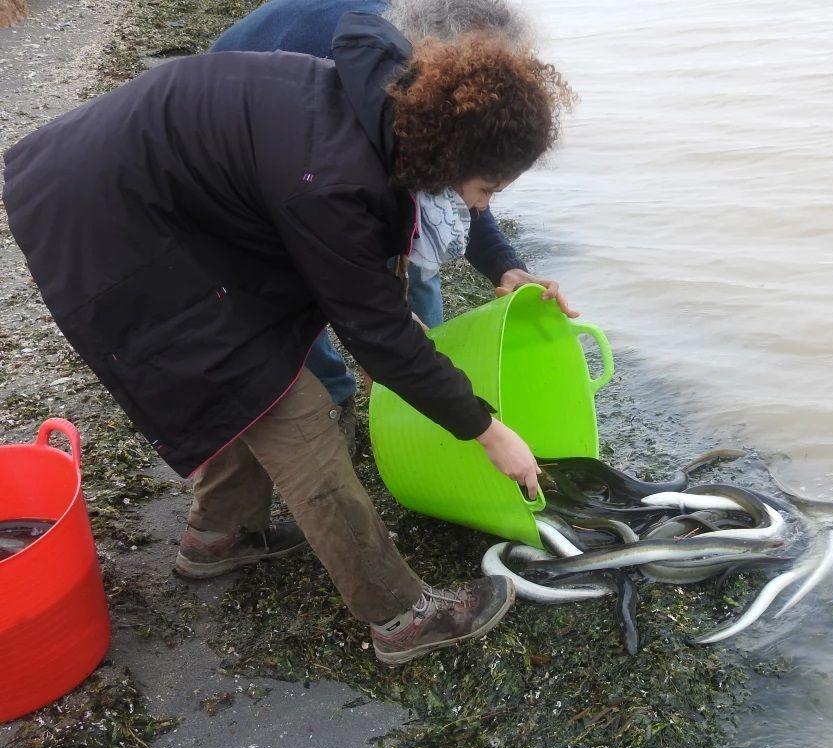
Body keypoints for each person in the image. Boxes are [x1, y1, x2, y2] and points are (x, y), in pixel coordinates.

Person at [2, 13, 574, 666]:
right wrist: (487, 431)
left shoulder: (397, 100)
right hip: (104, 213)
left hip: (161, 190)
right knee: (280, 402)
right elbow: (378, 339)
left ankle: (219, 538)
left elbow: (364, 289)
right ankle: (398, 616)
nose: (480, 206)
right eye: (487, 188)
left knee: (255, 361)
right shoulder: (333, 178)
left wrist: (428, 295)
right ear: (451, 155)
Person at [210, 0, 573, 449]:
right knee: (304, 285)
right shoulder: (353, 83)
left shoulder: (428, 87)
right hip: (251, 124)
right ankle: (336, 399)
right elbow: (351, 268)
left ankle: (428, 403)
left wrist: (503, 264)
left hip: (343, 143)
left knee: (411, 279)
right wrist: (388, 331)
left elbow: (465, 172)